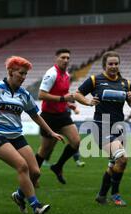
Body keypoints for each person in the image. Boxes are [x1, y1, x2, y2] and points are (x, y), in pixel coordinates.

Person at [0, 56, 63, 214]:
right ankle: (36, 205)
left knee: (35, 172)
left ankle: (19, 196)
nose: (24, 77)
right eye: (21, 73)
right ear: (11, 72)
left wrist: (51, 132)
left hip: (16, 135)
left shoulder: (24, 94)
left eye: (26, 74)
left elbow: (35, 115)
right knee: (22, 166)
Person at [74, 50, 131, 206]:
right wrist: (88, 102)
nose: (114, 66)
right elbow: (77, 94)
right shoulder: (96, 80)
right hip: (101, 127)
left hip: (119, 127)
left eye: (116, 63)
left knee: (114, 164)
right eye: (110, 64)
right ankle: (115, 194)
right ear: (104, 65)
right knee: (122, 159)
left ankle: (102, 195)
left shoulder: (125, 83)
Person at [34, 48, 80, 185]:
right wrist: (62, 99)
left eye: (67, 58)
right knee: (45, 149)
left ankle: (58, 166)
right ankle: (33, 175)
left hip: (63, 114)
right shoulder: (51, 74)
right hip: (49, 117)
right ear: (56, 58)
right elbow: (41, 95)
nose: (66, 60)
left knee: (76, 142)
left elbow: (63, 95)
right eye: (63, 57)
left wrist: (68, 104)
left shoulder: (66, 74)